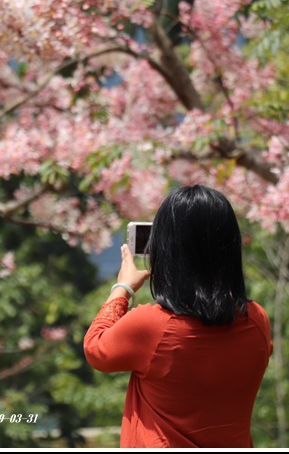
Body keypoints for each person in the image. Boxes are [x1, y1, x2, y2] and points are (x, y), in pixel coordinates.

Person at [84, 185, 273, 448]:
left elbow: (96, 349)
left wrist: (122, 288)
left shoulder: (151, 327)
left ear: (166, 250)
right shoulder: (257, 321)